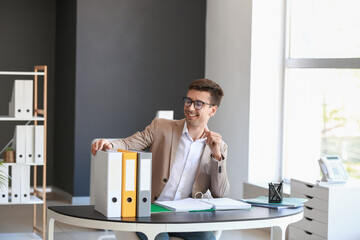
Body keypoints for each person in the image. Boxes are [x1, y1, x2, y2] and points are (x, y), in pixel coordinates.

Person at [91, 78, 230, 240]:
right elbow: (130, 142)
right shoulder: (161, 127)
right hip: (151, 212)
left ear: (212, 110)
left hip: (187, 218)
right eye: (188, 101)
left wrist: (217, 156)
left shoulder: (218, 146)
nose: (190, 107)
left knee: (208, 239)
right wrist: (110, 144)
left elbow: (221, 195)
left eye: (198, 104)